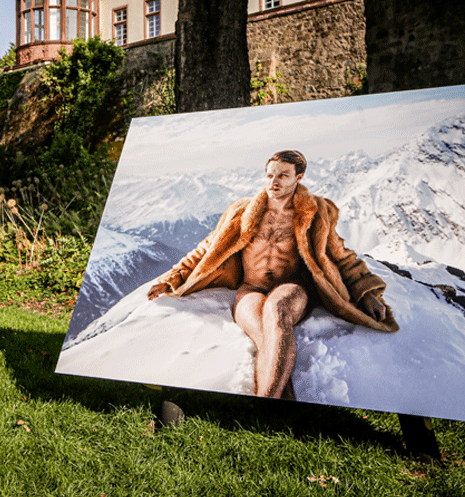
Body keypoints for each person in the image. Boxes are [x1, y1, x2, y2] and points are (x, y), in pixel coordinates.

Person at [147, 150, 398, 399]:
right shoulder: (242, 211)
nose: (273, 182)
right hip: (250, 288)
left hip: (292, 286)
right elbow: (207, 249)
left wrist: (368, 294)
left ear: (299, 177)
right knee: (263, 334)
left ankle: (267, 402)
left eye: (283, 176)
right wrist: (173, 278)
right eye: (269, 175)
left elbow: (341, 256)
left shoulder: (313, 213)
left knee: (277, 312)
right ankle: (281, 398)